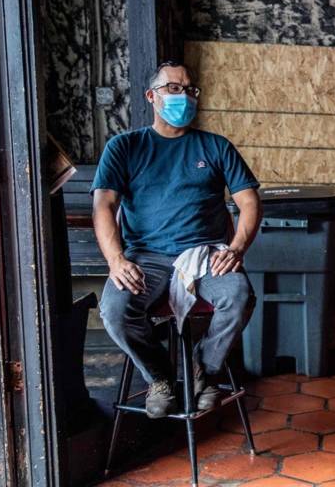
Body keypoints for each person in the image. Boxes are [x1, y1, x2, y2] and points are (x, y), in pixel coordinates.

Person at [92, 60, 262, 418]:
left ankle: (203, 367)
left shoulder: (215, 147)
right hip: (146, 256)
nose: (183, 96)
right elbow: (104, 206)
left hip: (206, 253)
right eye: (173, 88)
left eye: (189, 90)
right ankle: (160, 377)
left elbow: (248, 202)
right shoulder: (125, 147)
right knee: (115, 310)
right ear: (151, 96)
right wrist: (116, 260)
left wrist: (236, 248)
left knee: (239, 296)